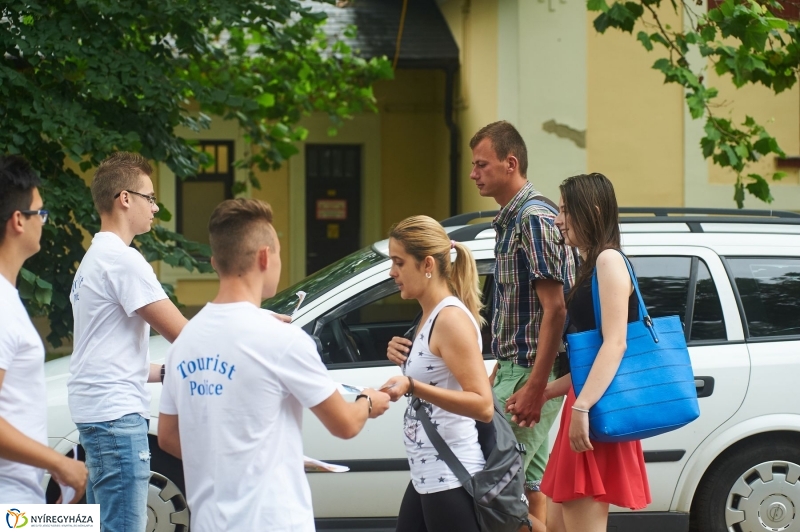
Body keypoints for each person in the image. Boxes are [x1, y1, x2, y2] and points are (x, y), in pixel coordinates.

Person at [157, 198, 391, 532]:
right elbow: (345, 425)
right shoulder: (283, 339)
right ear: (266, 257)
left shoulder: (184, 342)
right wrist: (369, 401)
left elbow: (167, 437)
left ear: (215, 262)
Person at [68, 153, 188, 529]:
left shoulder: (94, 259)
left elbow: (108, 357)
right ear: (125, 198)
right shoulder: (123, 261)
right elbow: (186, 335)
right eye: (149, 198)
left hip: (101, 416)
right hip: (116, 421)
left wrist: (167, 372)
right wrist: (250, 322)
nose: (154, 207)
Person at [473, 121, 577, 522]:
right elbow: (523, 311)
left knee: (491, 487)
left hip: (532, 372)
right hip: (516, 368)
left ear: (510, 163)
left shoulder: (533, 218)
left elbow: (556, 309)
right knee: (529, 487)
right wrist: (501, 364)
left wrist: (536, 386)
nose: (474, 173)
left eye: (482, 164)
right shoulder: (512, 219)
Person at [540, 173, 651, 531]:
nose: (558, 220)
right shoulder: (595, 264)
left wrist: (581, 406)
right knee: (557, 525)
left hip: (594, 409)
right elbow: (594, 358)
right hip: (588, 404)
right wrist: (544, 394)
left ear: (594, 210)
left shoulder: (608, 261)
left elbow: (615, 344)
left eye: (565, 210)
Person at [382, 215, 495, 532]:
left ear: (427, 263)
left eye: (399, 262)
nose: (392, 273)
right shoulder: (428, 315)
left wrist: (412, 385)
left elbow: (482, 405)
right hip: (427, 474)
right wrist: (401, 360)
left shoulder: (450, 319)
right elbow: (435, 373)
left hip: (451, 476)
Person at [0, 155, 87, 504]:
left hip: (22, 495)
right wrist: (58, 463)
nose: (44, 222)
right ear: (18, 220)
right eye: (41, 213)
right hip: (9, 501)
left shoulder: (9, 298)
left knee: (80, 525)